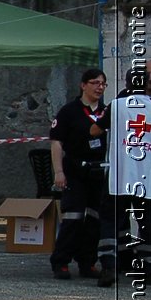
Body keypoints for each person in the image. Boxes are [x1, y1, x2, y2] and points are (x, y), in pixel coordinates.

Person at [48, 68, 109, 279]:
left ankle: (87, 262)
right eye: (95, 83)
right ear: (83, 85)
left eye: (103, 84)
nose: (99, 87)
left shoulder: (107, 111)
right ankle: (61, 262)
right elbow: (56, 142)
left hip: (98, 172)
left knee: (95, 220)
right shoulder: (69, 111)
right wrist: (59, 172)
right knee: (73, 217)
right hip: (74, 171)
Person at [97, 61, 151, 286]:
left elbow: (95, 130)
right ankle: (149, 268)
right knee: (148, 222)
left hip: (119, 175)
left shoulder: (116, 105)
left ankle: (109, 265)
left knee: (110, 219)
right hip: (146, 177)